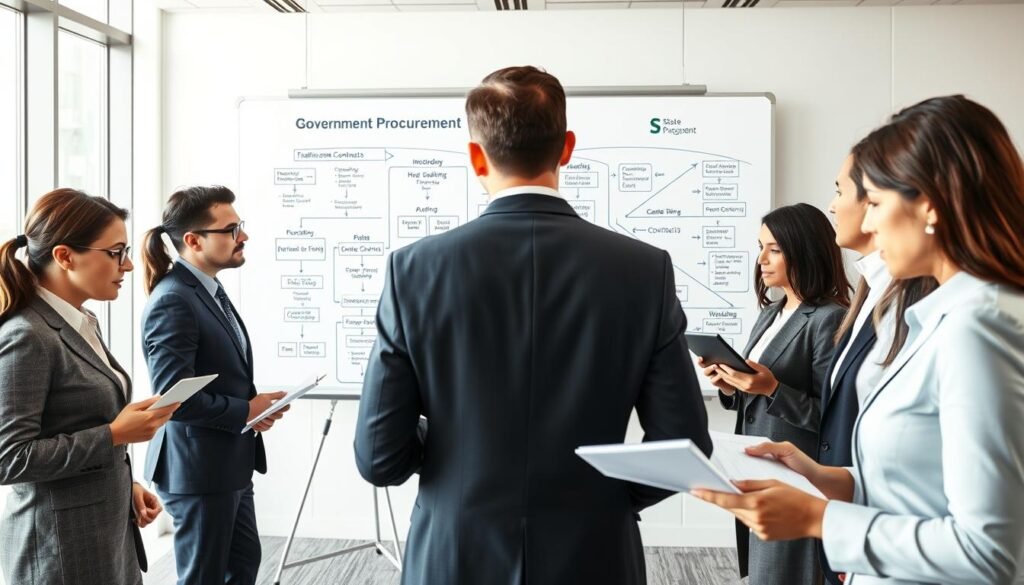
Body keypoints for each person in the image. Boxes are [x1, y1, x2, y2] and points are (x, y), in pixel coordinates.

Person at [353, 65, 711, 585]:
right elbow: (684, 444)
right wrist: (602, 499)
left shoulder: (413, 270)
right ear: (566, 147)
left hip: (455, 552)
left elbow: (379, 459)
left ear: (476, 156)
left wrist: (449, 448)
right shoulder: (644, 269)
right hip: (596, 552)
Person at [692, 95, 1024, 585]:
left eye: (875, 203)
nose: (865, 224)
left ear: (929, 205)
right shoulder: (937, 318)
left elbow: (991, 552)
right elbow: (915, 482)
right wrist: (820, 476)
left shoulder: (978, 328)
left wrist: (818, 518)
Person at [0, 188, 177, 585]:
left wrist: (124, 481)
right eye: (115, 252)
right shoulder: (27, 335)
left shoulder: (83, 322)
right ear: (65, 256)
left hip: (105, 536)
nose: (128, 265)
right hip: (56, 552)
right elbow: (8, 458)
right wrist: (114, 435)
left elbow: (75, 423)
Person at [140, 186, 288, 585]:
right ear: (193, 241)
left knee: (242, 566)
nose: (243, 236)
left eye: (240, 226)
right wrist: (246, 410)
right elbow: (177, 400)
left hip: (227, 463)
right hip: (198, 471)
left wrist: (253, 411)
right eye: (232, 228)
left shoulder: (208, 291)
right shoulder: (174, 300)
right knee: (203, 577)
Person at [701, 202, 849, 585]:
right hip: (754, 469)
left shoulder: (828, 318)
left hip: (796, 478)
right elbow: (757, 395)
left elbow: (832, 420)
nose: (761, 259)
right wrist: (731, 386)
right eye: (760, 246)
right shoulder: (771, 313)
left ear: (804, 250)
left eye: (775, 249)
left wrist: (771, 388)